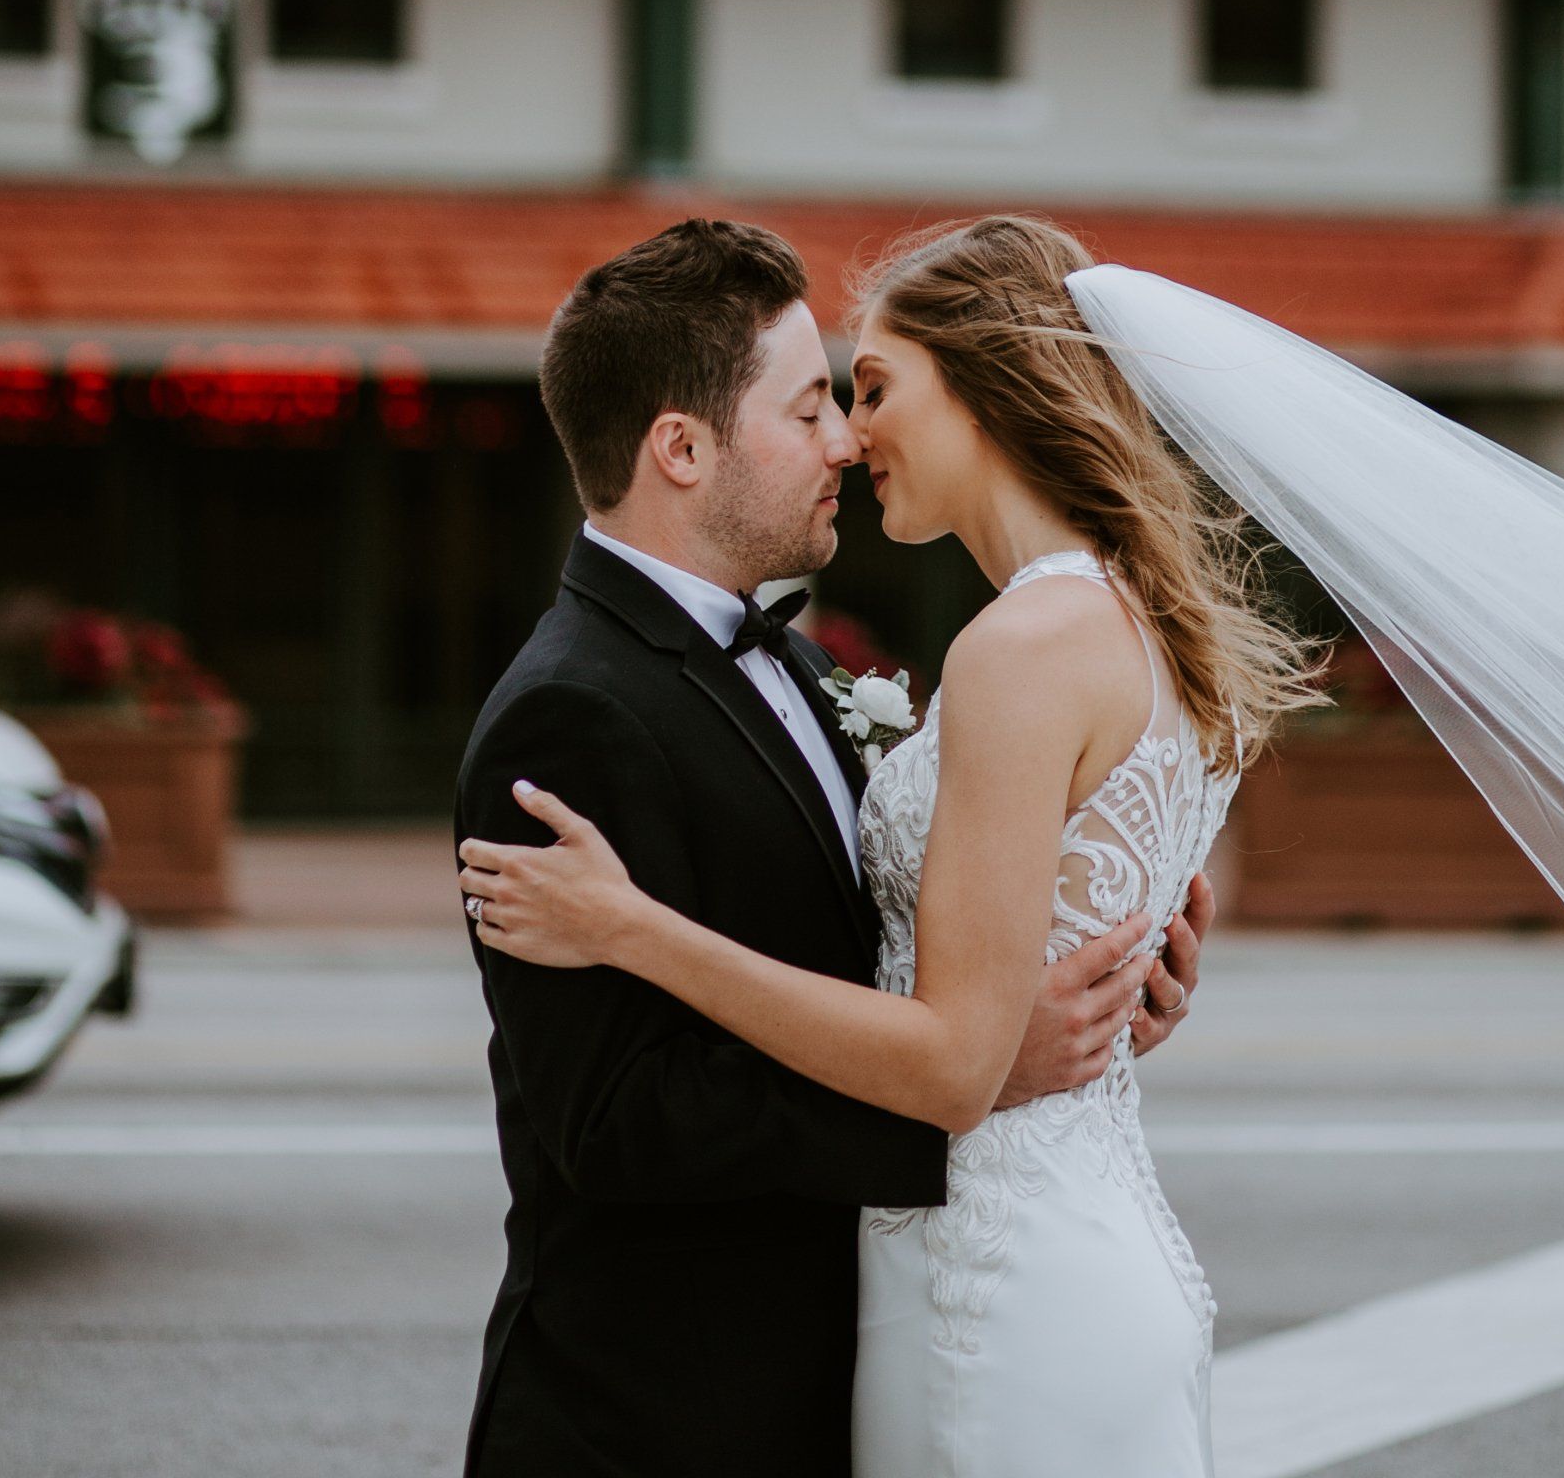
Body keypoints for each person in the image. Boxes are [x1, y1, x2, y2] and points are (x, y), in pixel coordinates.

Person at [462, 217, 1315, 1478]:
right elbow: (616, 1123)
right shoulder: (570, 709)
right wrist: (981, 1074)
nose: (845, 441)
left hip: (983, 1298)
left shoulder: (848, 663)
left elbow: (927, 971)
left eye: (860, 395)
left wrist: (1092, 974)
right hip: (660, 1419)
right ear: (679, 448)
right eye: (814, 406)